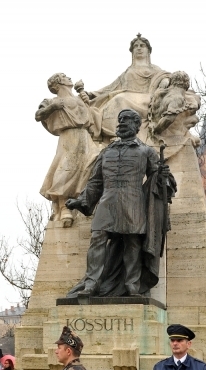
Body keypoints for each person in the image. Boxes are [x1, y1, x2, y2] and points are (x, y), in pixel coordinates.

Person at [66, 108, 176, 298]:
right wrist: (82, 201)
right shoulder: (106, 152)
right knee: (97, 238)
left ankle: (132, 285)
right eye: (120, 119)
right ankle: (91, 284)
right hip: (107, 201)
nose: (122, 122)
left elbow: (163, 179)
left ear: (136, 125)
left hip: (133, 201)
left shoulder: (146, 151)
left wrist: (163, 178)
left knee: (132, 243)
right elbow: (95, 181)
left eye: (127, 119)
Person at [36, 72, 100, 226]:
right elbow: (38, 115)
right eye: (64, 76)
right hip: (68, 137)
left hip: (85, 137)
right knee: (67, 169)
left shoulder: (80, 98)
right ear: (56, 84)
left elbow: (93, 120)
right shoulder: (51, 100)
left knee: (95, 162)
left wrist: (88, 104)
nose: (69, 77)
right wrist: (52, 107)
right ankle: (64, 206)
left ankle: (85, 200)